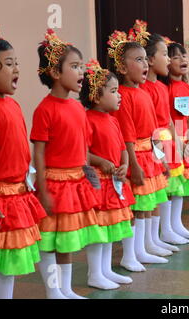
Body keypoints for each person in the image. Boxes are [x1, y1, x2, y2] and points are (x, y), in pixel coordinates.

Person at [32, 29, 105, 299]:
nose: (80, 72)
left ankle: (65, 289)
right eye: (74, 67)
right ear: (55, 72)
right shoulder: (45, 109)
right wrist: (43, 188)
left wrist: (89, 178)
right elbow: (38, 152)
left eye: (80, 67)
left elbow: (84, 150)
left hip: (75, 182)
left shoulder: (77, 108)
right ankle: (53, 291)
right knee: (50, 241)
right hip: (54, 182)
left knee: (67, 240)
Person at [0, 23, 47, 299]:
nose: (17, 69)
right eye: (8, 63)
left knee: (6, 265)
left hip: (16, 194)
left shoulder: (12, 104)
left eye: (17, 63)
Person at [107, 27, 170, 272]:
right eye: (139, 60)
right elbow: (127, 137)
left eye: (146, 59)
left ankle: (145, 246)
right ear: (122, 68)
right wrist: (133, 164)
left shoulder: (143, 93)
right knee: (136, 208)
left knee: (147, 205)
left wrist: (162, 159)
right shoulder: (123, 96)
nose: (145, 64)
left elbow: (154, 131)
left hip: (150, 157)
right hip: (137, 158)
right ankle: (130, 254)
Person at [80, 59, 134, 290]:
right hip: (98, 184)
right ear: (96, 96)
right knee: (99, 229)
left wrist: (125, 164)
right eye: (113, 91)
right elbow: (83, 153)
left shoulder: (113, 120)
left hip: (114, 182)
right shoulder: (87, 120)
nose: (119, 95)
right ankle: (95, 273)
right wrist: (100, 161)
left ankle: (106, 270)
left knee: (111, 227)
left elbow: (123, 148)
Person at [140, 31, 186, 249]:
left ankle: (161, 234)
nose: (168, 59)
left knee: (165, 188)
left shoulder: (160, 86)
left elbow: (167, 118)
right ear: (150, 60)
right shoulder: (143, 89)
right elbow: (148, 126)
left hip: (165, 142)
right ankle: (157, 235)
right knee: (158, 192)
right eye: (165, 54)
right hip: (153, 145)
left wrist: (178, 142)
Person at [162, 41, 189, 243]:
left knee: (181, 185)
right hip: (169, 140)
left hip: (184, 140)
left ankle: (177, 224)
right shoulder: (164, 88)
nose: (182, 59)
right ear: (167, 62)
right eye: (176, 57)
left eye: (183, 56)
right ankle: (166, 228)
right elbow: (165, 117)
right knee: (170, 185)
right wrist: (176, 140)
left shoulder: (185, 86)